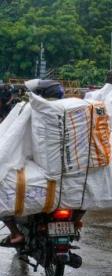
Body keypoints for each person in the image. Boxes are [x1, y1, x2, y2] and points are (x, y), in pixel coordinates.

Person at [0, 80, 64, 248]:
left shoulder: (33, 110)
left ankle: (15, 233)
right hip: (69, 172)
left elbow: (11, 139)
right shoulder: (70, 110)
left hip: (42, 168)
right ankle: (76, 222)